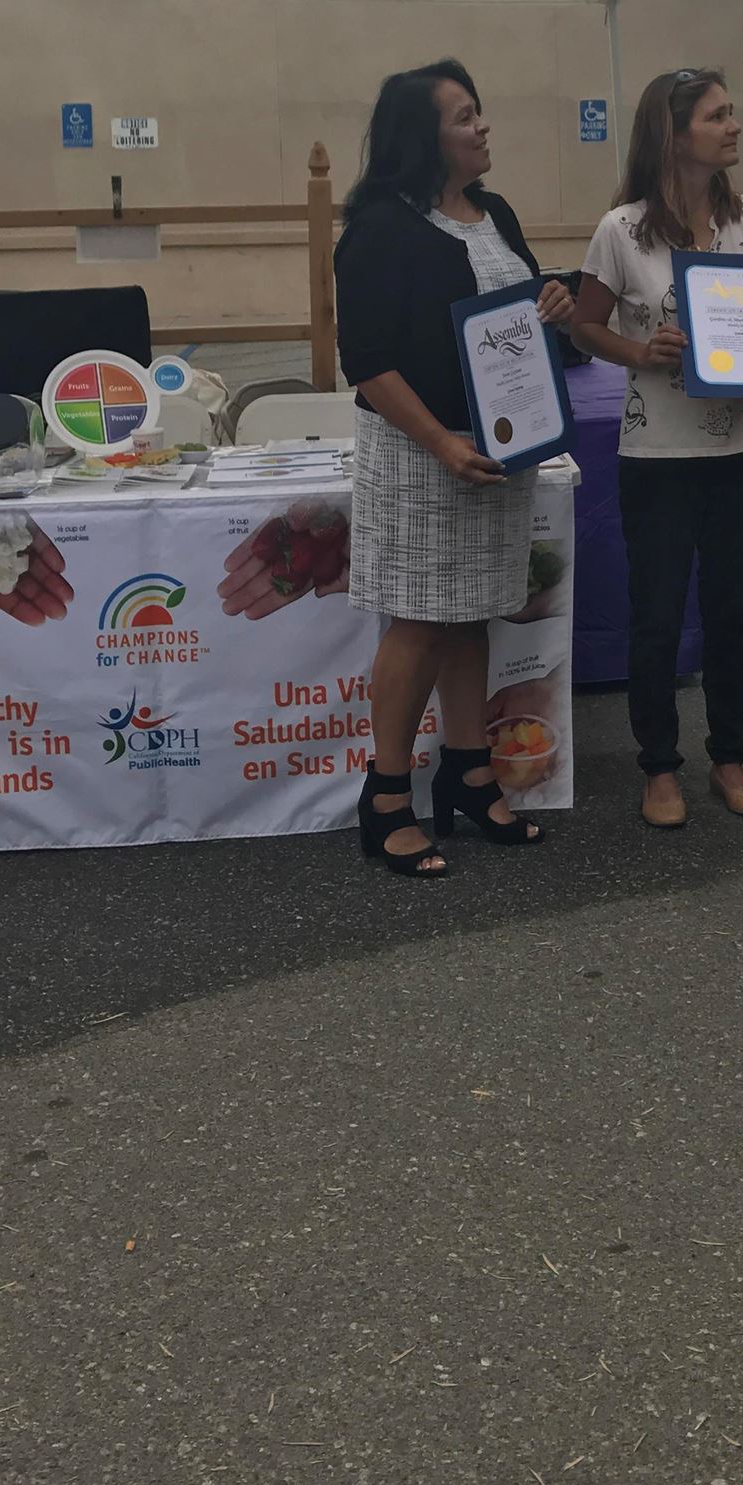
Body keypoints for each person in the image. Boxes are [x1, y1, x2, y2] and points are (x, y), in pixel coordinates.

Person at [334, 60, 574, 879]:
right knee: (419, 618)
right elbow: (365, 360)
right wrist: (440, 441)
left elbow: (520, 309)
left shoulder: (494, 212)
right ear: (424, 138)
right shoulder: (378, 228)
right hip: (419, 455)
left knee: (473, 611)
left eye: (481, 112)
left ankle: (471, 776)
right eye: (466, 116)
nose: (483, 128)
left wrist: (556, 306)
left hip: (498, 447)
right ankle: (388, 797)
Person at [573, 68, 743, 828]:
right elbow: (584, 325)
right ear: (672, 135)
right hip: (658, 456)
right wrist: (641, 352)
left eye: (733, 112)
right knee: (658, 613)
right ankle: (659, 766)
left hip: (742, 446)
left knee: (732, 612)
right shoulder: (621, 230)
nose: (734, 126)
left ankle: (730, 756)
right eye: (716, 116)